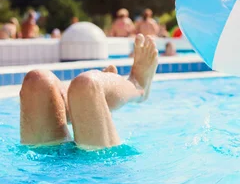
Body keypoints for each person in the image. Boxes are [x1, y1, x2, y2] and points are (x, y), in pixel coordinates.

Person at [19, 34, 158, 149]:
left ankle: (84, 104)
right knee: (87, 85)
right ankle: (138, 87)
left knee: (37, 81)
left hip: (46, 161)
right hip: (99, 167)